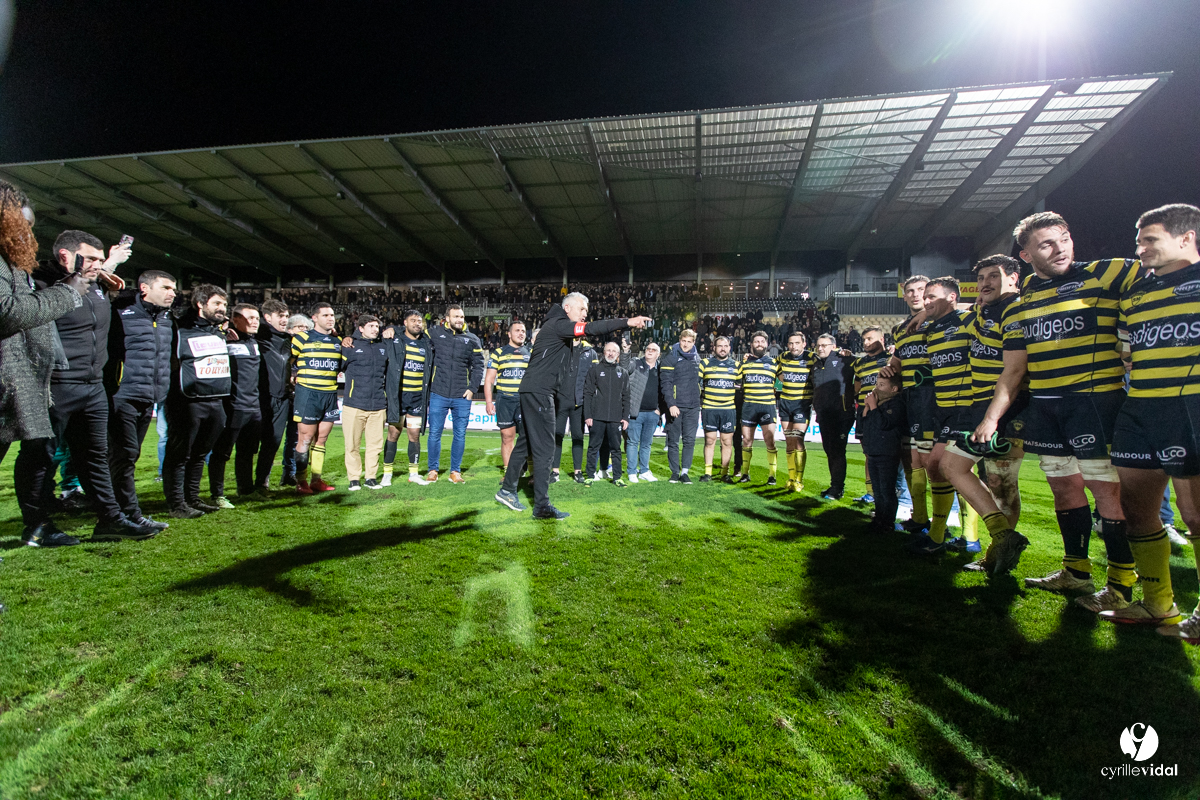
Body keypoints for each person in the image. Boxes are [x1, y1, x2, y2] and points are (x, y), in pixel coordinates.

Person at [973, 211, 1139, 613]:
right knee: (1064, 489)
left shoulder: (1107, 273)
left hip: (1094, 402)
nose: (1061, 247)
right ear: (1026, 256)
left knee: (1107, 494)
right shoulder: (1026, 294)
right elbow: (1014, 362)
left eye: (1064, 237)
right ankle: (1076, 572)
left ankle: (1120, 586)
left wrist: (1129, 338)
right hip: (1047, 407)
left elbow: (1163, 279)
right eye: (1047, 244)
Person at [1103, 203, 1200, 638]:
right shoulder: (1136, 294)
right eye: (1138, 241)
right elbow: (1127, 353)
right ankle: (1158, 604)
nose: (1140, 250)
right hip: (1140, 408)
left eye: (1150, 240)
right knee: (1135, 509)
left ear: (1186, 238)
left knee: (1195, 515)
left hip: (1191, 407)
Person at [29, 230, 160, 541]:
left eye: (101, 261)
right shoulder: (44, 282)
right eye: (91, 259)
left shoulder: (97, 284)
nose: (97, 266)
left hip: (93, 386)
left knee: (95, 455)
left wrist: (107, 268)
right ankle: (37, 524)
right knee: (41, 455)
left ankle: (109, 519)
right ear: (65, 256)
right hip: (55, 384)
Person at [495, 293, 648, 520]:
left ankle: (507, 490)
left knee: (525, 443)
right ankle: (542, 506)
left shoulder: (555, 328)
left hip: (533, 390)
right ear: (567, 308)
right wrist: (627, 322)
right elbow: (592, 328)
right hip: (539, 392)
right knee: (546, 447)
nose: (585, 312)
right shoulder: (559, 325)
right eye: (582, 308)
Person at [0, 181, 93, 547]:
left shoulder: (11, 264)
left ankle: (38, 524)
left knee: (39, 448)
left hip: (18, 383)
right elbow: (8, 313)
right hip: (8, 383)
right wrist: (67, 292)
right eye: (23, 224)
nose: (29, 233)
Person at [939, 255, 1030, 575]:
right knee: (953, 466)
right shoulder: (984, 309)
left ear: (1014, 278)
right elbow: (960, 309)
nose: (985, 283)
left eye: (994, 276)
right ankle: (1004, 539)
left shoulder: (1016, 309)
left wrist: (992, 418)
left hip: (1008, 407)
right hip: (980, 404)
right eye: (980, 279)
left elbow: (1016, 369)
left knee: (1001, 483)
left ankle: (1000, 549)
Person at [903, 278, 979, 555]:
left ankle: (965, 535)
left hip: (964, 404)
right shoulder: (922, 329)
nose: (922, 299)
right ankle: (941, 533)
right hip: (932, 405)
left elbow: (988, 305)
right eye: (915, 294)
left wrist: (929, 310)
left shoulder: (964, 318)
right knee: (936, 467)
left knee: (953, 468)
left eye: (928, 295)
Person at [106, 269, 176, 527]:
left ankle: (120, 511)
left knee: (127, 457)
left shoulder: (167, 318)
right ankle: (128, 515)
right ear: (144, 288)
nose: (172, 293)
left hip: (149, 396)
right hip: (122, 396)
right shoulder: (121, 312)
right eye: (166, 287)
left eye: (174, 289)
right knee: (123, 456)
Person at [163, 284, 231, 518]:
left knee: (200, 454)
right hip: (187, 401)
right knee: (179, 455)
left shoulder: (218, 331)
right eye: (217, 304)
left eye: (224, 304)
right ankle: (176, 504)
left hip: (216, 400)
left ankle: (192, 498)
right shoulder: (180, 329)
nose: (222, 308)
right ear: (201, 304)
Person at [883, 276, 933, 533]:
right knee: (910, 458)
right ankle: (920, 516)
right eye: (910, 291)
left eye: (921, 290)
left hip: (936, 397)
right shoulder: (900, 329)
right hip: (910, 398)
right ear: (904, 296)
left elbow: (974, 307)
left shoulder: (943, 320)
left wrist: (929, 312)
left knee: (936, 460)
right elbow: (898, 364)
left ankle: (949, 518)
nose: (915, 295)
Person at [207, 303, 262, 506]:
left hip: (253, 406)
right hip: (233, 406)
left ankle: (245, 490)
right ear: (235, 320)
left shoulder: (255, 342)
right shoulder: (223, 341)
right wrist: (221, 331)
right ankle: (217, 495)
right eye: (250, 318)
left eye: (257, 317)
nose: (255, 321)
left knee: (247, 452)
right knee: (222, 453)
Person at [424, 304, 484, 484]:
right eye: (456, 316)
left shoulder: (472, 339)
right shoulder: (434, 333)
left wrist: (472, 388)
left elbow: (479, 365)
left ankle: (455, 471)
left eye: (462, 317)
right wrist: (390, 330)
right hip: (438, 393)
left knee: (460, 435)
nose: (459, 320)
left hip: (462, 395)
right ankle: (433, 470)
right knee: (434, 433)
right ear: (447, 319)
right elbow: (414, 331)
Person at [291, 303, 343, 493]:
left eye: (332, 315)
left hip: (330, 394)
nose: (331, 318)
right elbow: (287, 361)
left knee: (321, 439)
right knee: (305, 439)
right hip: (308, 394)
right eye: (326, 315)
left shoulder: (339, 342)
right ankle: (301, 482)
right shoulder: (301, 339)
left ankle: (316, 480)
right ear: (314, 318)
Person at [381, 310, 431, 486]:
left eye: (420, 321)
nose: (417, 323)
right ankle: (387, 473)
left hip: (417, 398)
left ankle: (414, 473)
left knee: (414, 436)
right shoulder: (396, 340)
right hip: (398, 397)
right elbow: (374, 337)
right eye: (413, 320)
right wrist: (390, 328)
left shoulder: (426, 343)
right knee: (393, 434)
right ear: (405, 323)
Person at [340, 314, 388, 490]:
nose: (376, 329)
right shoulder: (350, 346)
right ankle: (354, 479)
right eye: (371, 326)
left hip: (378, 405)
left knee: (375, 446)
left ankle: (370, 478)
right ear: (360, 328)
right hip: (353, 404)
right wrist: (348, 337)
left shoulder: (384, 346)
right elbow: (338, 367)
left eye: (377, 326)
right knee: (352, 445)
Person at [858, 371, 907, 534]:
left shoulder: (896, 404)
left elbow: (884, 424)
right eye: (876, 384)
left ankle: (888, 522)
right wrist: (867, 407)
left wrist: (873, 406)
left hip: (887, 453)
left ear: (894, 389)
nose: (876, 389)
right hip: (873, 452)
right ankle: (879, 518)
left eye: (881, 385)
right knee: (877, 490)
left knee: (887, 490)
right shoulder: (878, 404)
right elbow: (866, 423)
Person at [811, 334, 856, 500]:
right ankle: (834, 486)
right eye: (818, 345)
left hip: (841, 415)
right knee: (829, 451)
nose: (821, 348)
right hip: (824, 415)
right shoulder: (815, 364)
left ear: (833, 346)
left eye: (824, 345)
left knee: (837, 451)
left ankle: (837, 488)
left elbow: (861, 365)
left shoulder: (845, 359)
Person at [253, 299, 292, 491]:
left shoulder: (288, 340)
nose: (285, 319)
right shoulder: (257, 338)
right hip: (260, 398)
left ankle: (262, 482)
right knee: (250, 444)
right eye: (281, 316)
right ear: (267, 317)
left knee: (273, 442)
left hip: (282, 398)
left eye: (286, 316)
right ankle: (244, 486)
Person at [851, 326, 890, 505]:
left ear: (882, 340)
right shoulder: (859, 363)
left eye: (870, 339)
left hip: (884, 410)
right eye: (864, 339)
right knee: (868, 452)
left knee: (888, 454)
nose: (866, 342)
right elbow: (857, 387)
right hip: (863, 412)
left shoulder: (891, 359)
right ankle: (870, 492)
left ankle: (888, 493)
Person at [582, 341, 630, 486]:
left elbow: (627, 397)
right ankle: (590, 475)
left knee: (616, 448)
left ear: (618, 354)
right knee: (593, 447)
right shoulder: (595, 369)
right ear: (604, 352)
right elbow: (588, 393)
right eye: (608, 350)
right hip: (597, 416)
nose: (610, 353)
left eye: (613, 351)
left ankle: (617, 477)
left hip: (615, 418)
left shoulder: (623, 373)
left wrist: (625, 417)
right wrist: (588, 415)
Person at [484, 320, 529, 470]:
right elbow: (490, 379)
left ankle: (531, 471)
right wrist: (489, 402)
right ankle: (508, 472)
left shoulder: (531, 353)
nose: (521, 333)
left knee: (528, 438)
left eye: (523, 331)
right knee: (507, 437)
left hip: (525, 401)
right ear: (509, 334)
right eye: (517, 330)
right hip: (505, 400)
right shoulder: (499, 353)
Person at [554, 337, 599, 484]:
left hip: (579, 403)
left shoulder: (590, 352)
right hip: (560, 400)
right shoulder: (560, 348)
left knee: (578, 437)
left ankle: (578, 472)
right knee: (556, 436)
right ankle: (554, 471)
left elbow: (594, 379)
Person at [737, 331, 779, 485]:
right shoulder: (744, 363)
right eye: (756, 341)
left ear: (766, 344)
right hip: (749, 406)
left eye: (762, 341)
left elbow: (782, 381)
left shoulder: (774, 363)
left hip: (767, 406)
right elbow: (737, 382)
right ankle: (745, 473)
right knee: (747, 440)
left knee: (770, 440)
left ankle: (772, 475)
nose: (759, 344)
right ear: (751, 344)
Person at [660, 329, 702, 483]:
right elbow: (666, 384)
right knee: (673, 441)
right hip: (676, 407)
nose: (686, 344)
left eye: (689, 341)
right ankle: (674, 472)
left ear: (693, 342)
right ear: (680, 340)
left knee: (689, 440)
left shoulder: (697, 359)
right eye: (683, 341)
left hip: (693, 407)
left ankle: (685, 472)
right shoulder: (670, 357)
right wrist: (671, 404)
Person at [775, 332, 814, 493]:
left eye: (797, 343)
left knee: (798, 440)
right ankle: (791, 478)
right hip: (785, 403)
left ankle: (799, 479)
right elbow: (776, 369)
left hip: (802, 404)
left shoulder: (812, 358)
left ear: (804, 344)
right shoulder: (783, 357)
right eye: (791, 343)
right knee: (789, 441)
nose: (793, 346)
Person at [698, 336, 738, 482]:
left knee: (727, 442)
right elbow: (697, 384)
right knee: (709, 440)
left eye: (725, 346)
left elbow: (739, 386)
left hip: (728, 409)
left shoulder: (736, 366)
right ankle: (708, 473)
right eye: (719, 346)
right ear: (714, 348)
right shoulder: (705, 364)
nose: (722, 348)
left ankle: (724, 473)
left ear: (729, 347)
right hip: (709, 408)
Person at [624, 341, 662, 483]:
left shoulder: (661, 369)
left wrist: (660, 410)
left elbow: (665, 390)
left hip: (653, 413)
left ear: (658, 354)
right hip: (636, 412)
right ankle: (632, 472)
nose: (650, 351)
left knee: (646, 444)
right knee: (633, 442)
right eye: (648, 349)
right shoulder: (635, 363)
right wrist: (626, 352)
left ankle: (644, 471)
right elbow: (623, 368)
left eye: (653, 350)